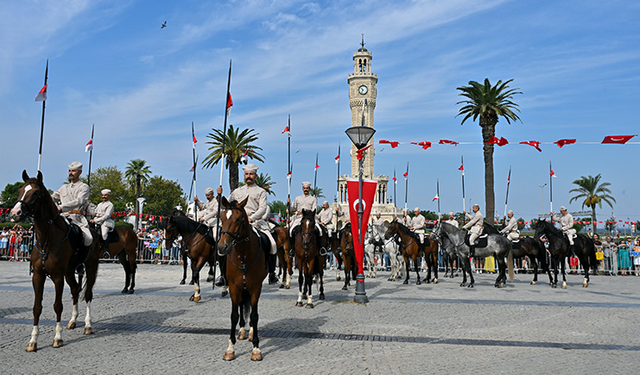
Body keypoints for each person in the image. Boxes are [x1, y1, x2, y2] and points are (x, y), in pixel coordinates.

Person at [217, 163, 278, 285]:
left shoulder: (261, 191)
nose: (248, 176)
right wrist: (219, 196)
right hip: (237, 223)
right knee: (221, 243)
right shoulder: (237, 191)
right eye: (246, 174)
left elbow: (262, 208)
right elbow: (225, 205)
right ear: (244, 176)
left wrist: (251, 218)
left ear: (255, 176)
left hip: (255, 222)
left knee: (272, 242)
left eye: (251, 174)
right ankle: (223, 275)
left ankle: (272, 273)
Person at [51, 161, 93, 271]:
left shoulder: (84, 187)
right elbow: (53, 197)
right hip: (62, 217)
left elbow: (79, 201)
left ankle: (80, 263)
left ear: (79, 173)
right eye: (69, 170)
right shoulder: (63, 187)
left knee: (88, 238)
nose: (71, 173)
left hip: (77, 218)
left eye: (73, 171)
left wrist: (61, 207)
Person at [287, 181, 327, 256]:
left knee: (320, 230)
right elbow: (292, 209)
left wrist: (309, 214)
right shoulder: (297, 198)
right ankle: (292, 249)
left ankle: (321, 248)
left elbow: (314, 209)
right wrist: (288, 204)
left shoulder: (313, 199)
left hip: (310, 218)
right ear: (302, 189)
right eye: (305, 188)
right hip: (299, 217)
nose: (306, 189)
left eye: (307, 188)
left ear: (309, 189)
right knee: (290, 231)